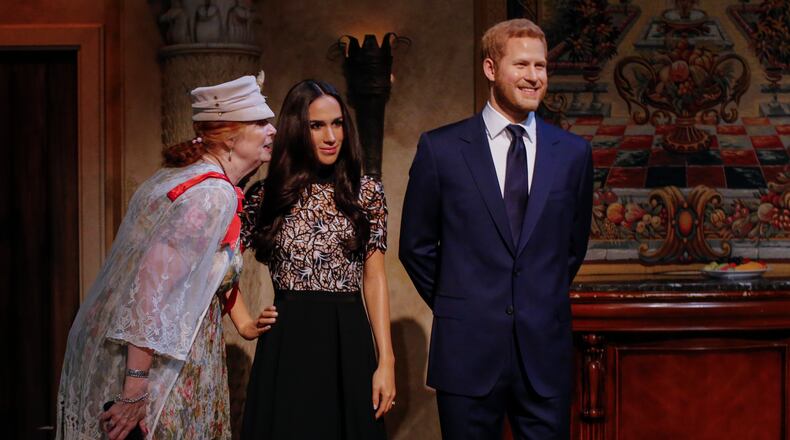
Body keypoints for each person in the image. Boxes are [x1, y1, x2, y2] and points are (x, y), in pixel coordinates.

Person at [399, 19, 593, 440]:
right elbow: (415, 246)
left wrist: (534, 299)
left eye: (540, 66)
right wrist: (463, 303)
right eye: (521, 64)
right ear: (491, 69)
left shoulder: (574, 154)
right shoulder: (442, 149)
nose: (534, 77)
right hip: (466, 351)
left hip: (544, 353)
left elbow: (573, 247)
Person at [57, 75, 279, 440]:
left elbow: (202, 272)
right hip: (158, 366)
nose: (271, 130)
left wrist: (244, 323)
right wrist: (135, 389)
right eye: (259, 122)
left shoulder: (197, 180)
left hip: (165, 353)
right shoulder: (212, 195)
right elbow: (150, 287)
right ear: (230, 136)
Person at [240, 79, 395, 440]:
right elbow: (218, 267)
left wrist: (386, 360)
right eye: (317, 125)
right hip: (288, 345)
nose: (331, 136)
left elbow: (375, 278)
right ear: (297, 129)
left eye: (338, 123)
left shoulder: (366, 192)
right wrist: (245, 323)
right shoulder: (265, 196)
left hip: (349, 340)